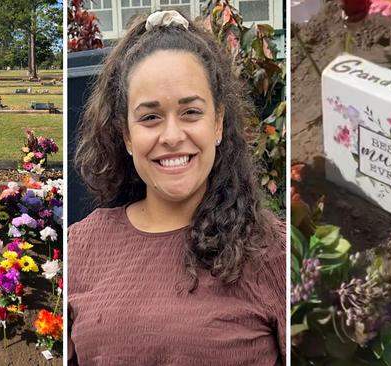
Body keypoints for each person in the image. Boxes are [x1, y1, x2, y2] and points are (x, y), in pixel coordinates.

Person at [68, 10, 286, 366]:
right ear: (126, 135)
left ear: (217, 124)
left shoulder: (272, 251)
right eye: (150, 117)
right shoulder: (81, 246)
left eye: (191, 113)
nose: (171, 136)